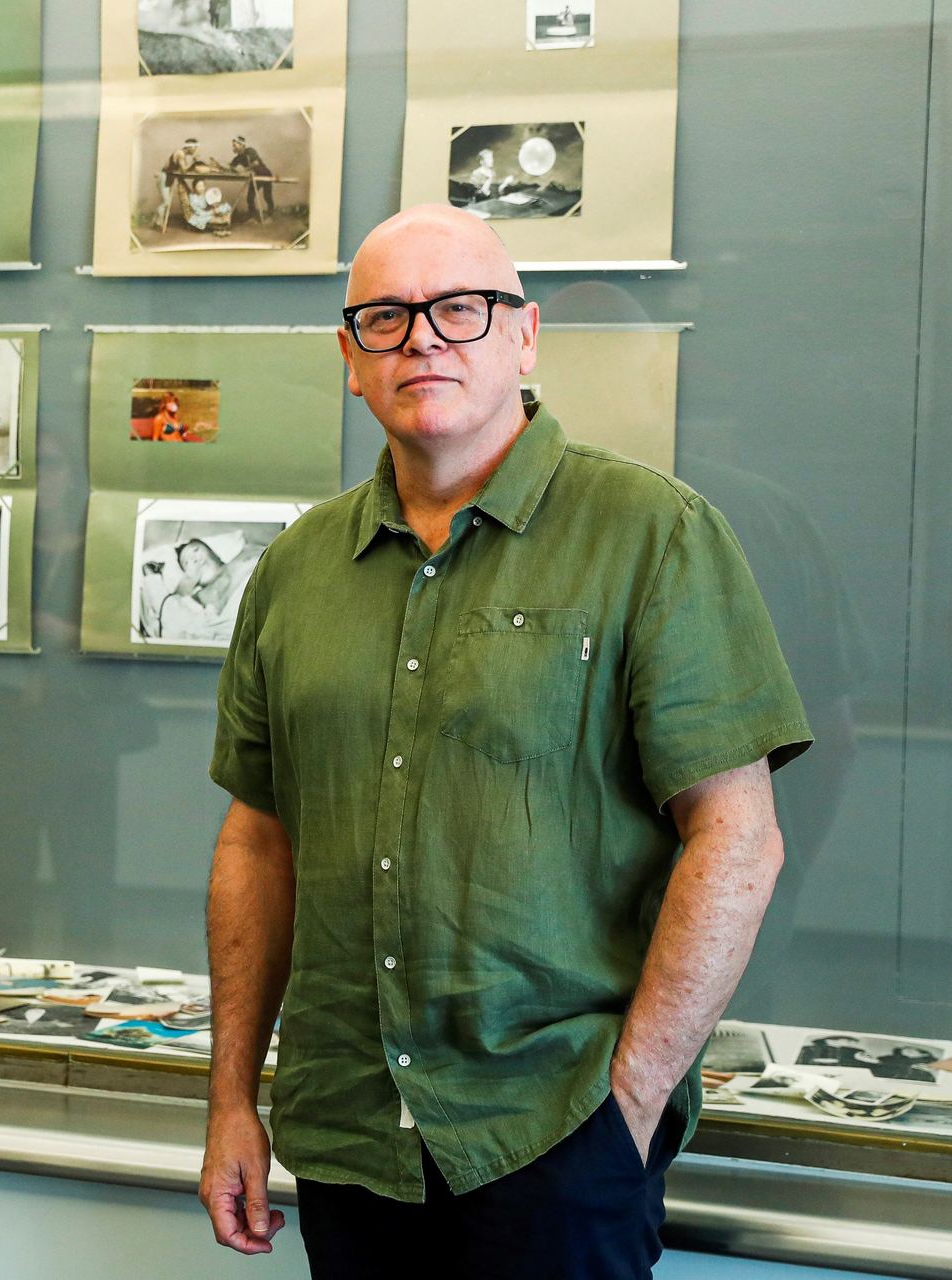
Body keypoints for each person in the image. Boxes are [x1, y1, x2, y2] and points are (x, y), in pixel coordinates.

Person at [198, 204, 811, 1278]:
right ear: (351, 358)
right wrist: (231, 1099)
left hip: (556, 1136)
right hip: (349, 1141)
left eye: (460, 309)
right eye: (386, 317)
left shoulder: (652, 535)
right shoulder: (297, 569)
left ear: (524, 337)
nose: (422, 339)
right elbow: (258, 841)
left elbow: (738, 838)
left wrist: (630, 1102)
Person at [230, 136, 275, 222]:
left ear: (241, 145)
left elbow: (256, 163)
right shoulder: (238, 158)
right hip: (255, 176)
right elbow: (231, 167)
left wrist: (245, 170)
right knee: (250, 197)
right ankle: (252, 216)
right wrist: (219, 166)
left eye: (235, 145)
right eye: (233, 146)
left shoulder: (250, 151)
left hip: (264, 173)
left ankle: (270, 215)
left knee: (267, 196)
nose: (233, 147)